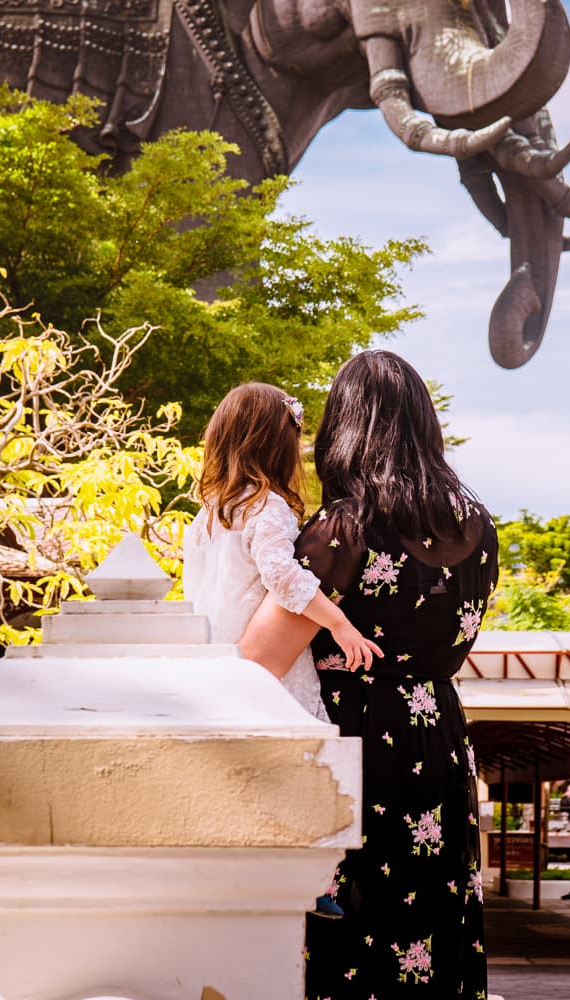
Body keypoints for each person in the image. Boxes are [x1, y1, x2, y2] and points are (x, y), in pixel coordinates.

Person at [240, 350, 499, 998]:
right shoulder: (480, 529)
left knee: (354, 934)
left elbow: (257, 662)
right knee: (433, 925)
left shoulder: (342, 530)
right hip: (438, 739)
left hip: (357, 747)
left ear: (346, 431)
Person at [183, 381, 384, 916]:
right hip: (270, 659)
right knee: (302, 750)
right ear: (277, 444)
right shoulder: (268, 508)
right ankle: (311, 874)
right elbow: (280, 574)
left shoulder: (207, 515)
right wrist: (339, 622)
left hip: (218, 659)